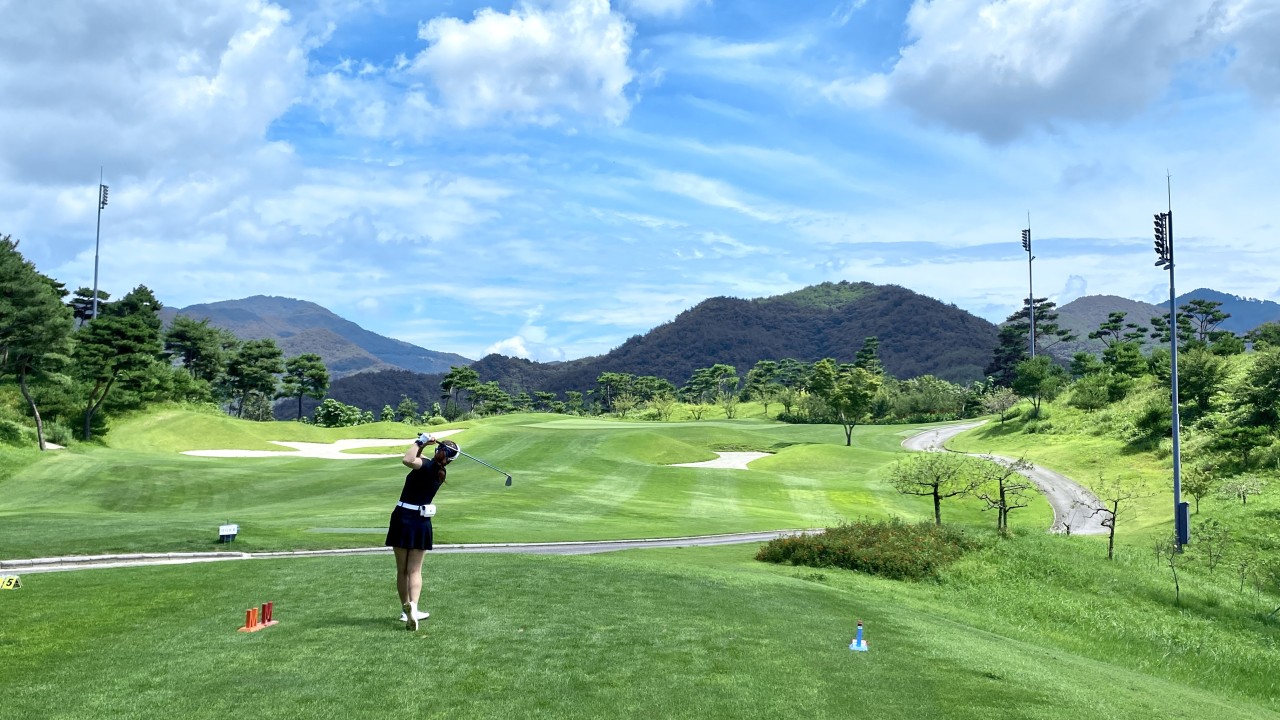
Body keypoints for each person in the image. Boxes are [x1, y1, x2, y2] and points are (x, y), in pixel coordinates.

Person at [386, 433, 457, 630]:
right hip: (421, 521)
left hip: (402, 518)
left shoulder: (424, 465)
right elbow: (418, 458)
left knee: (402, 570)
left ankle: (405, 610)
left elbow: (408, 459)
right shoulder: (440, 472)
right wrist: (424, 445)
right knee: (415, 570)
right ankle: (414, 608)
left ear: (438, 450)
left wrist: (421, 441)